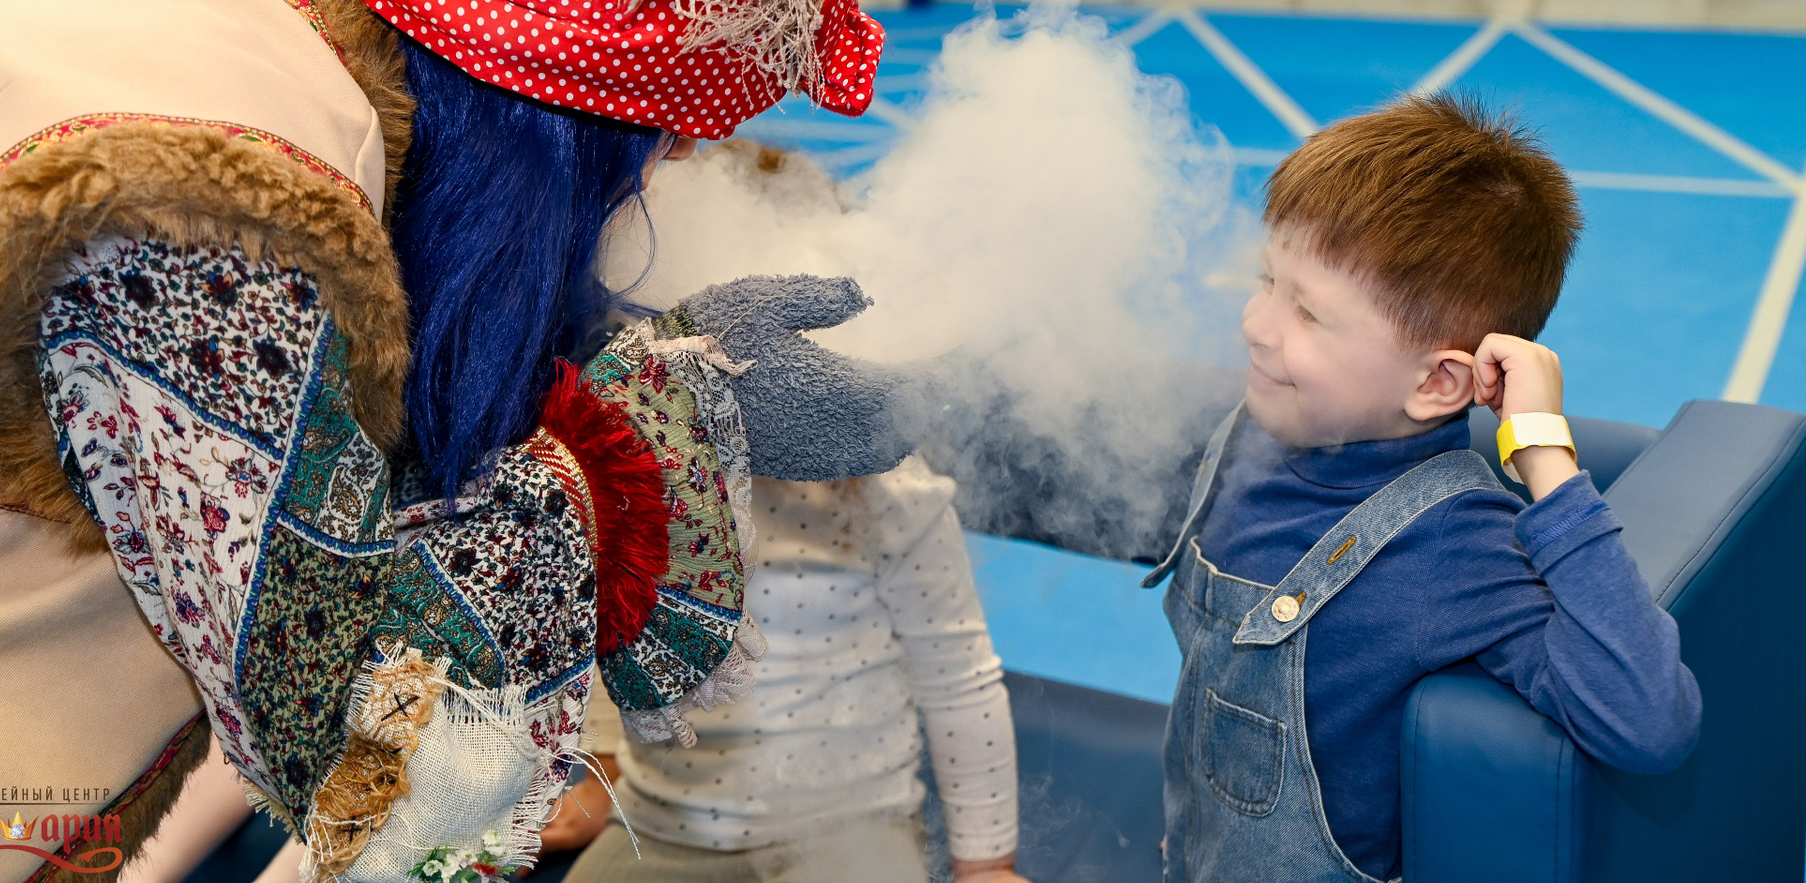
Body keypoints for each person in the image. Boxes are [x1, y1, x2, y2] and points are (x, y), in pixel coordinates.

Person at [0, 0, 911, 883]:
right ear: (542, 120)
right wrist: (666, 417)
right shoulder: (203, 214)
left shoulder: (243, 18)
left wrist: (590, 353)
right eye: (649, 147)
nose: (660, 178)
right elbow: (383, 745)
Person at [1144, 94, 1701, 883]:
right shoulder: (1247, 439)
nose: (1256, 324)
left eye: (1308, 313)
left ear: (1439, 382)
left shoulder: (1450, 547)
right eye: (1267, 280)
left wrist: (1543, 453)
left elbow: (1649, 720)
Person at [564, 459, 1026, 883]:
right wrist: (603, 784)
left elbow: (958, 684)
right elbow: (607, 625)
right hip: (663, 822)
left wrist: (985, 867)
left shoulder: (892, 487)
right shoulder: (645, 452)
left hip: (848, 824)